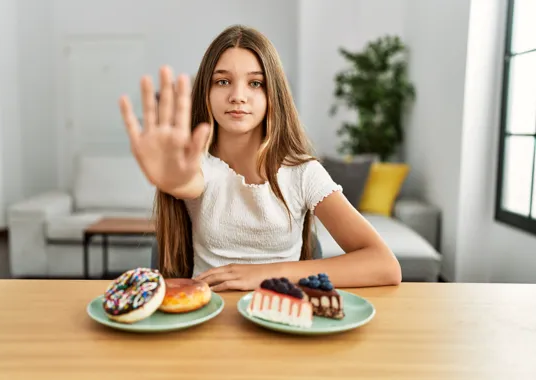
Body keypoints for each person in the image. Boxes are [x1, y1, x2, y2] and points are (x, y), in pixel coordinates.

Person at [119, 25, 401, 291]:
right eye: (223, 81)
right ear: (206, 90)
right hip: (207, 320)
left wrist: (267, 273)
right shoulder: (203, 167)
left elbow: (384, 265)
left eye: (255, 83)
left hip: (280, 321)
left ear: (273, 94)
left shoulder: (303, 173)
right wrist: (173, 179)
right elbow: (189, 181)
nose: (237, 96)